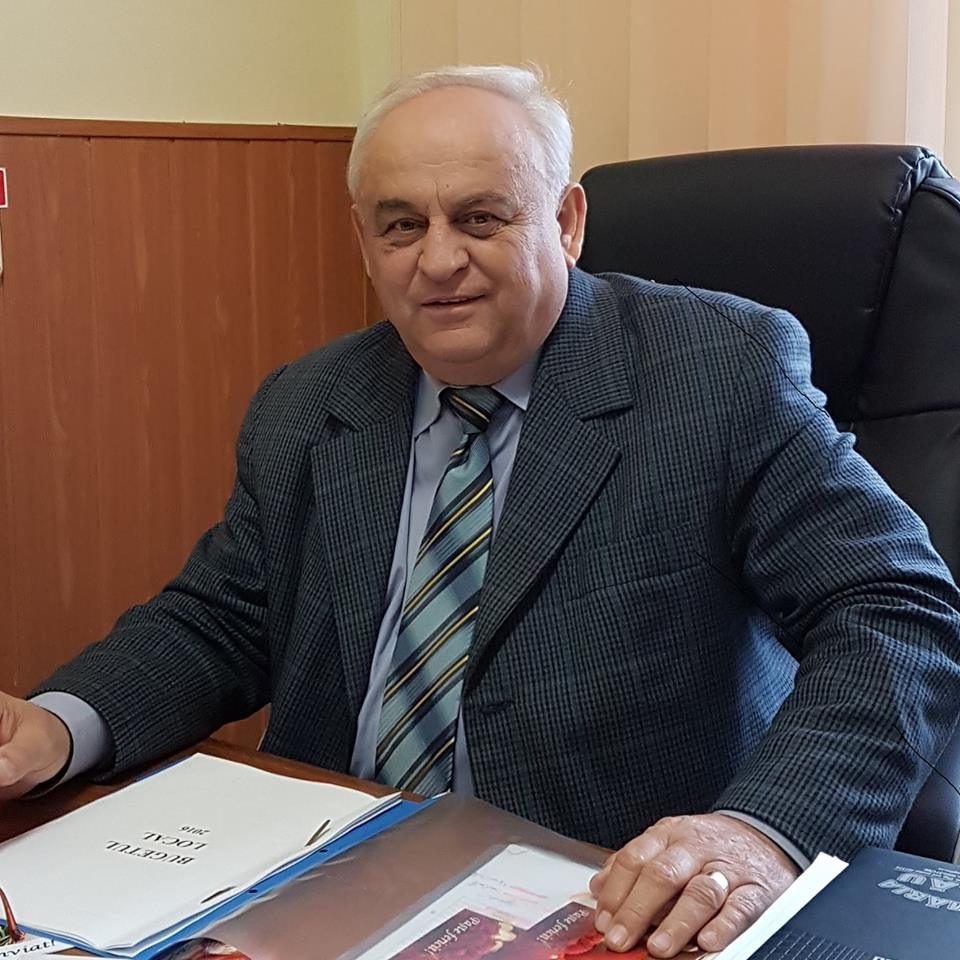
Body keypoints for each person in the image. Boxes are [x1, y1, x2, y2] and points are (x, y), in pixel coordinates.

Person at [1, 65, 959, 958]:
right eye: (401, 225)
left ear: (567, 222)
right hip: (317, 868)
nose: (438, 260)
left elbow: (893, 610)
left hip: (600, 894)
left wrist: (762, 831)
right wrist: (61, 725)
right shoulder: (309, 402)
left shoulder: (717, 370)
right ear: (364, 240)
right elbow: (222, 617)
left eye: (481, 217)